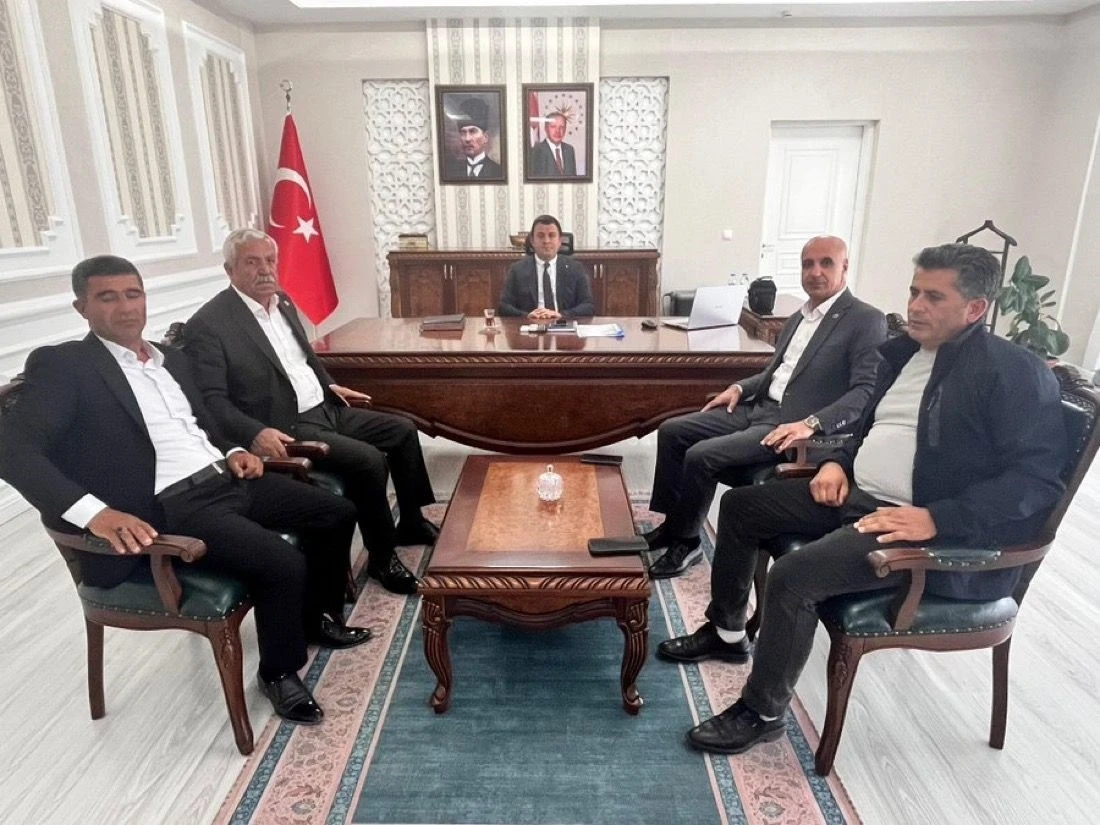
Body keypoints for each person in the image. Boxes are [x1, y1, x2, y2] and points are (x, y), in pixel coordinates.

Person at [660, 243, 1067, 756]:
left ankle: (762, 712)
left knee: (793, 576)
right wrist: (837, 462)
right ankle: (725, 632)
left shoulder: (1012, 372)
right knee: (742, 507)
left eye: (933, 297)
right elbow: (868, 428)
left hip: (919, 528)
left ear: (975, 309)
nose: (915, 306)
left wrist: (937, 519)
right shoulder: (905, 354)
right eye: (914, 292)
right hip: (860, 495)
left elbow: (1036, 482)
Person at [0, 255, 372, 726]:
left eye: (133, 294)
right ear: (82, 308)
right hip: (169, 505)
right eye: (107, 297)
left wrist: (233, 449)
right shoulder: (66, 365)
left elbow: (203, 423)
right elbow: (12, 450)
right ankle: (279, 673)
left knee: (335, 511)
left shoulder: (169, 359)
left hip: (225, 479)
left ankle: (314, 619)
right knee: (282, 561)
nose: (125, 307)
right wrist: (94, 513)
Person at [183, 229, 438, 597]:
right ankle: (383, 558)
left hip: (325, 408)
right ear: (229, 270)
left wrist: (330, 385)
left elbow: (303, 359)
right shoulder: (209, 324)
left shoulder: (282, 302)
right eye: (252, 262)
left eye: (270, 260)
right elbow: (211, 401)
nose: (265, 269)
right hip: (285, 425)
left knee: (402, 430)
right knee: (368, 461)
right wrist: (254, 432)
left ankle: (411, 521)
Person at [645, 236, 886, 578]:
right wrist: (738, 388)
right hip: (758, 408)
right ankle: (673, 525)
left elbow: (865, 391)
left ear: (845, 267)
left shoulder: (865, 320)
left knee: (701, 455)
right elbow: (777, 372)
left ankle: (687, 543)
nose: (815, 272)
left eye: (826, 263)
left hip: (790, 426)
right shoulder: (798, 317)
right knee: (672, 431)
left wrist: (811, 423)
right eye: (808, 264)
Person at [497, 214, 594, 320]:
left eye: (551, 235)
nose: (546, 241)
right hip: (531, 325)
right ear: (532, 241)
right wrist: (527, 316)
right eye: (540, 236)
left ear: (560, 241)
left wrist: (562, 315)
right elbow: (504, 307)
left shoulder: (575, 268)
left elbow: (588, 306)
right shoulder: (517, 270)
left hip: (562, 324)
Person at [444, 97, 503, 181]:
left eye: (472, 131)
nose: (467, 139)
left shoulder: (497, 171)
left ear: (485, 137)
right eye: (463, 132)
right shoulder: (451, 171)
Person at [529, 113, 578, 177]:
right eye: (553, 127)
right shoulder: (536, 151)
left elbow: (573, 179)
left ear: (565, 129)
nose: (557, 131)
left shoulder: (569, 150)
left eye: (561, 127)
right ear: (546, 129)